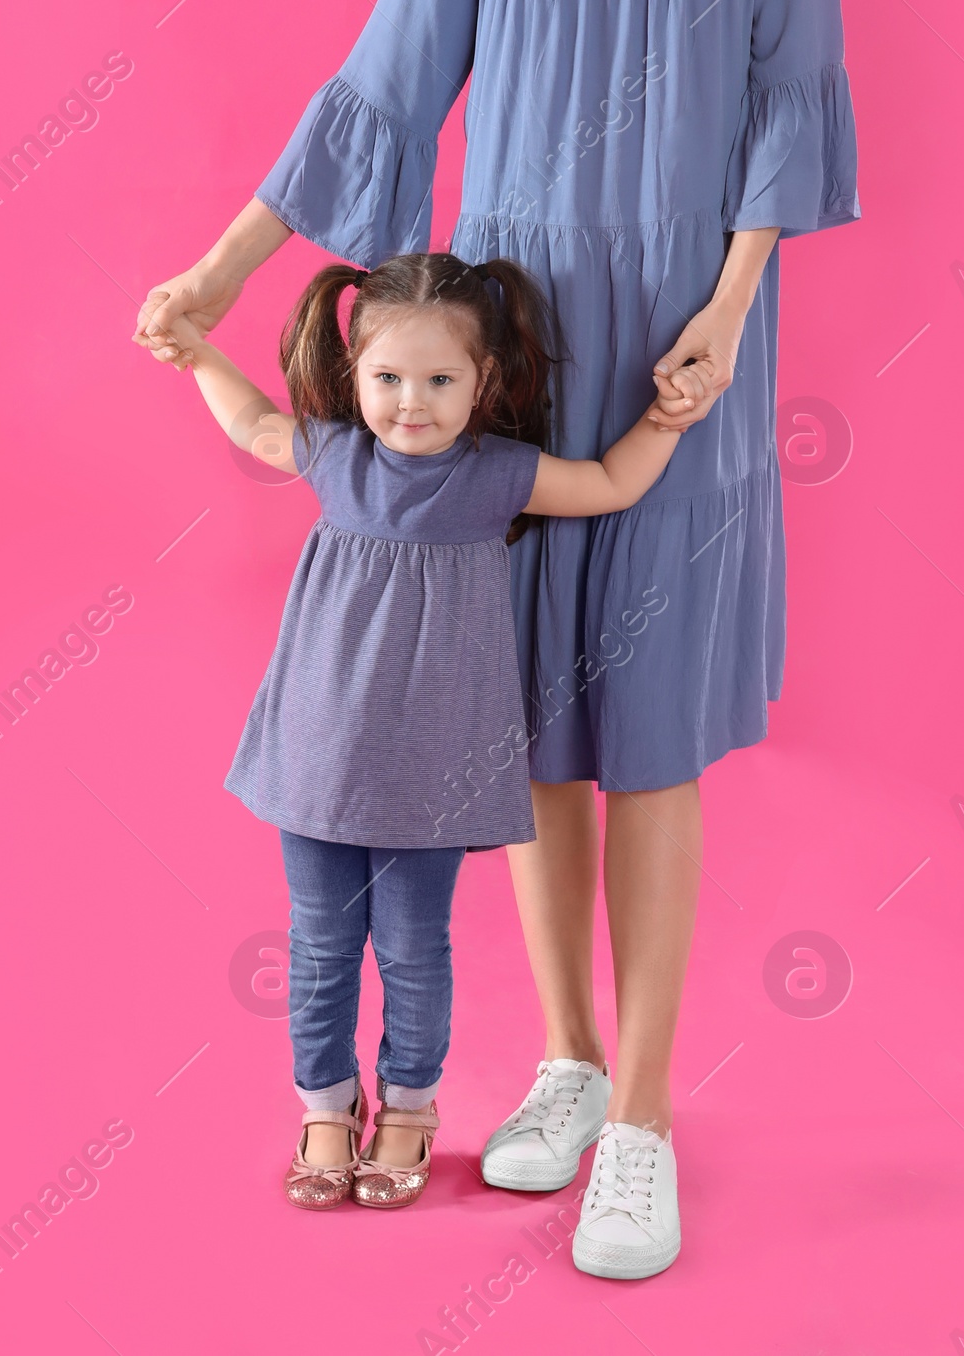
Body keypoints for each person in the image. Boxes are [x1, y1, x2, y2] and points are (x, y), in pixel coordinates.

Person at [136, 0, 859, 1278]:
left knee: (653, 731)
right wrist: (226, 275)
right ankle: (562, 1057)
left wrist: (737, 307)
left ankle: (645, 1121)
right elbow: (377, 98)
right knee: (525, 718)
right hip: (507, 353)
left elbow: (796, 79)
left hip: (683, 336)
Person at [180, 249, 683, 1217]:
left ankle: (408, 1108)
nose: (412, 403)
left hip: (433, 778)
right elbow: (250, 424)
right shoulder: (337, 458)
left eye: (441, 380)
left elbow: (611, 482)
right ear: (356, 374)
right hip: (318, 765)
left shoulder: (496, 477)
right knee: (322, 947)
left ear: (483, 380)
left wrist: (668, 415)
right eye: (389, 379)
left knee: (414, 951)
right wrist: (196, 349)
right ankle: (327, 1110)